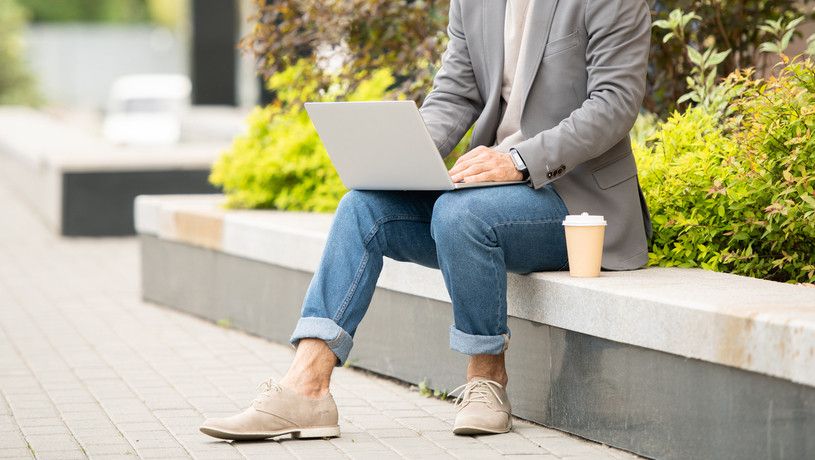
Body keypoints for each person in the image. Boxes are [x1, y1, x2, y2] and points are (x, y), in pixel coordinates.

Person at [200, 0, 652, 440]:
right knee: (364, 207)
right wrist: (406, 158)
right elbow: (456, 94)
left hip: (576, 205)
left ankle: (487, 378)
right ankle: (307, 386)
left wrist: (517, 159)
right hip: (488, 196)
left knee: (462, 214)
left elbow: (614, 103)